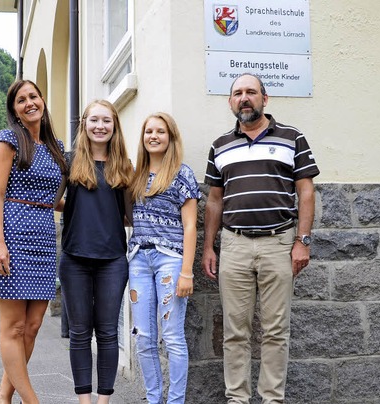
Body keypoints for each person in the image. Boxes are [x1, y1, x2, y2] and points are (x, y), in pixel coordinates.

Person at [201, 73, 320, 404]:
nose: (244, 98)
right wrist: (209, 247)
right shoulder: (220, 146)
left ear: (264, 99)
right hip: (235, 245)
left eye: (251, 92)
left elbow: (306, 191)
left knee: (275, 331)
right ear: (230, 102)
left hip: (279, 243)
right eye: (237, 93)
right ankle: (237, 399)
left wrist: (303, 241)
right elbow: (214, 200)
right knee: (235, 332)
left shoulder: (292, 137)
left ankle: (272, 399)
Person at [0, 79, 67, 404]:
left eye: (33, 96)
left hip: (45, 239)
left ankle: (3, 396)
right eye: (21, 100)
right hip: (14, 235)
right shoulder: (8, 141)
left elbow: (55, 199)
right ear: (16, 111)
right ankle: (30, 401)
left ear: (42, 100)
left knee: (33, 326)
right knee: (14, 327)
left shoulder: (56, 148)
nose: (29, 102)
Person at [57, 100, 133, 404]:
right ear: (84, 125)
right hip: (74, 258)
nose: (100, 126)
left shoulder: (123, 166)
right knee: (79, 333)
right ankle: (84, 400)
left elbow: (130, 215)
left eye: (107, 121)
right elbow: (52, 200)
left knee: (107, 333)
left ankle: (104, 400)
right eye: (94, 120)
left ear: (114, 126)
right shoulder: (69, 161)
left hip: (112, 259)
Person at [127, 112, 201, 404]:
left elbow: (191, 226)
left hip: (170, 261)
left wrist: (187, 272)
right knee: (143, 339)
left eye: (160, 131)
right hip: (138, 261)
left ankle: (176, 401)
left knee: (172, 338)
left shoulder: (182, 174)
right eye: (148, 132)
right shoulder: (135, 175)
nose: (153, 136)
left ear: (170, 137)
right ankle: (153, 398)